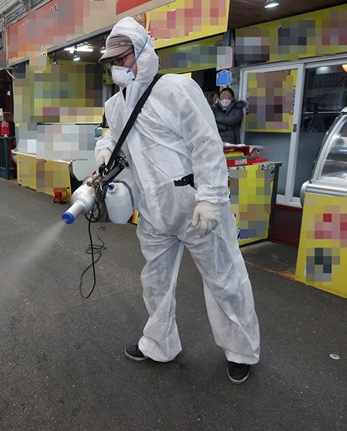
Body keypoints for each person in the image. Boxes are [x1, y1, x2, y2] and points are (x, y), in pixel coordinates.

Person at [95, 17, 260, 384]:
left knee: (224, 279)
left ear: (142, 52)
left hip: (195, 205)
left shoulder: (175, 90)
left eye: (123, 59)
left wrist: (212, 198)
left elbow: (206, 144)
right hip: (154, 212)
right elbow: (110, 137)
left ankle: (241, 350)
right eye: (113, 62)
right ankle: (159, 344)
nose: (117, 68)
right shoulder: (116, 106)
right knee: (155, 283)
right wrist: (104, 150)